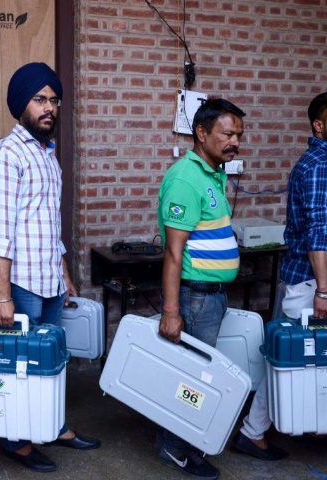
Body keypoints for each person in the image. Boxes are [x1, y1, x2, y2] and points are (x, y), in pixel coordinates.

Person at [0, 62, 101, 473]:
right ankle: (15, 440)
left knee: (51, 363)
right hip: (21, 285)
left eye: (53, 100)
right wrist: (2, 294)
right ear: (21, 105)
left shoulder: (48, 154)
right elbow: (0, 232)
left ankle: (53, 425)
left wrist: (65, 273)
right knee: (19, 367)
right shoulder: (4, 156)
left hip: (49, 279)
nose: (48, 108)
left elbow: (48, 223)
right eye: (39, 100)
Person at [229, 93, 327, 462]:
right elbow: (320, 231)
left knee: (285, 358)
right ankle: (253, 432)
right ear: (318, 125)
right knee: (284, 358)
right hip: (309, 284)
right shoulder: (319, 165)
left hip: (306, 281)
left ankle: (256, 431)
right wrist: (324, 291)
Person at [156, 98, 245, 480]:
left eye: (239, 134)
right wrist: (171, 311)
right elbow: (174, 253)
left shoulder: (214, 173)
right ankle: (175, 448)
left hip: (212, 297)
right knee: (190, 379)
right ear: (202, 133)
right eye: (227, 133)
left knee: (201, 378)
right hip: (194, 299)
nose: (235, 141)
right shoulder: (185, 178)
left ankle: (187, 442)